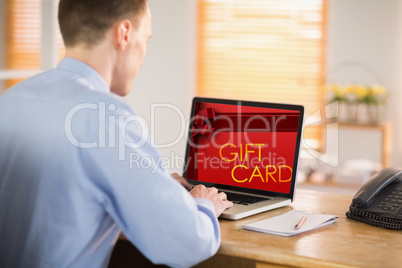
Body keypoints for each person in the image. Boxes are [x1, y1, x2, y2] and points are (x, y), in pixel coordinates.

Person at [0, 0, 233, 267]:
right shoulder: (106, 116)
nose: (144, 56)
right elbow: (186, 244)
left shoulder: (13, 98)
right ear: (124, 33)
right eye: (146, 39)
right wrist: (203, 205)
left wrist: (153, 184)